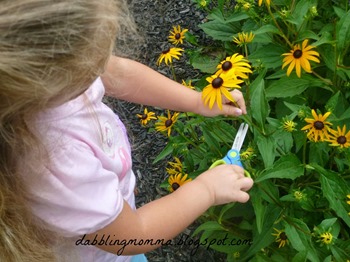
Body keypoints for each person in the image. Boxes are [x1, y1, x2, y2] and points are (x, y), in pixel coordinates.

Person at [0, 0, 254, 261]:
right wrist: (206, 190)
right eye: (97, 59)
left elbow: (119, 73)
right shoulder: (56, 160)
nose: (104, 64)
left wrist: (197, 101)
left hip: (104, 214)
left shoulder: (47, 78)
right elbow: (132, 234)